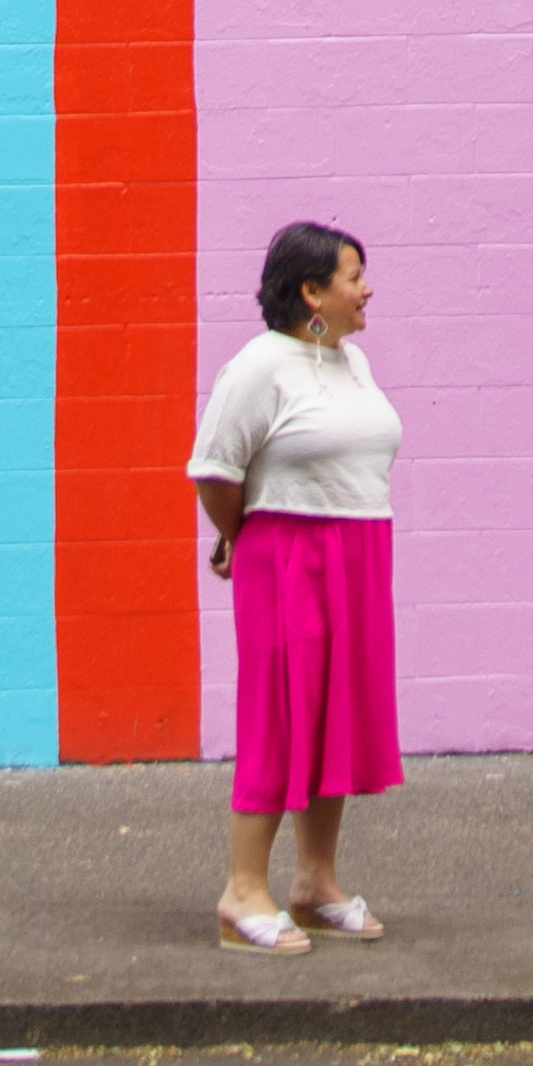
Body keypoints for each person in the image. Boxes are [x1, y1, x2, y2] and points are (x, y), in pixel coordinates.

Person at [188, 219, 401, 952]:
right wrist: (241, 536)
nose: (366, 288)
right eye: (352, 277)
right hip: (285, 554)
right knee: (280, 716)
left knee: (336, 713)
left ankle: (316, 882)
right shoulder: (260, 365)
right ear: (312, 291)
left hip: (360, 548)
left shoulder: (353, 362)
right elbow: (214, 470)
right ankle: (242, 892)